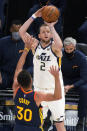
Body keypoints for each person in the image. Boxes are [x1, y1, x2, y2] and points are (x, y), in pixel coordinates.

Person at [19, 7, 66, 131]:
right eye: (43, 32)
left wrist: (51, 27)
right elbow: (21, 32)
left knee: (59, 124)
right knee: (37, 125)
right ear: (39, 35)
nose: (46, 33)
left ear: (51, 34)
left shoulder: (55, 47)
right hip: (39, 91)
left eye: (48, 32)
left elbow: (61, 45)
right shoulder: (34, 45)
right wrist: (34, 15)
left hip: (55, 91)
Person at [12, 37, 62, 131]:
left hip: (18, 127)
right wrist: (56, 78)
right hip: (33, 129)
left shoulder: (16, 90)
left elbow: (18, 69)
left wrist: (26, 50)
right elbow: (58, 96)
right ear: (31, 81)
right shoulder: (37, 96)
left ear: (19, 82)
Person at [61, 37, 87, 131]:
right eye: (66, 49)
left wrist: (71, 86)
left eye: (71, 49)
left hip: (77, 80)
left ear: (75, 48)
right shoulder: (60, 56)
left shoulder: (81, 57)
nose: (68, 51)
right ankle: (50, 118)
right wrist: (61, 84)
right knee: (53, 87)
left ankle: (81, 119)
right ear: (64, 48)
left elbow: (84, 78)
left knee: (85, 89)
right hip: (64, 80)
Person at [0, 20, 33, 90]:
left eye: (19, 31)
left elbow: (32, 64)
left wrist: (26, 74)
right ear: (11, 29)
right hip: (5, 75)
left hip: (21, 76)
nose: (17, 33)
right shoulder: (2, 43)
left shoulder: (27, 43)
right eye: (15, 31)